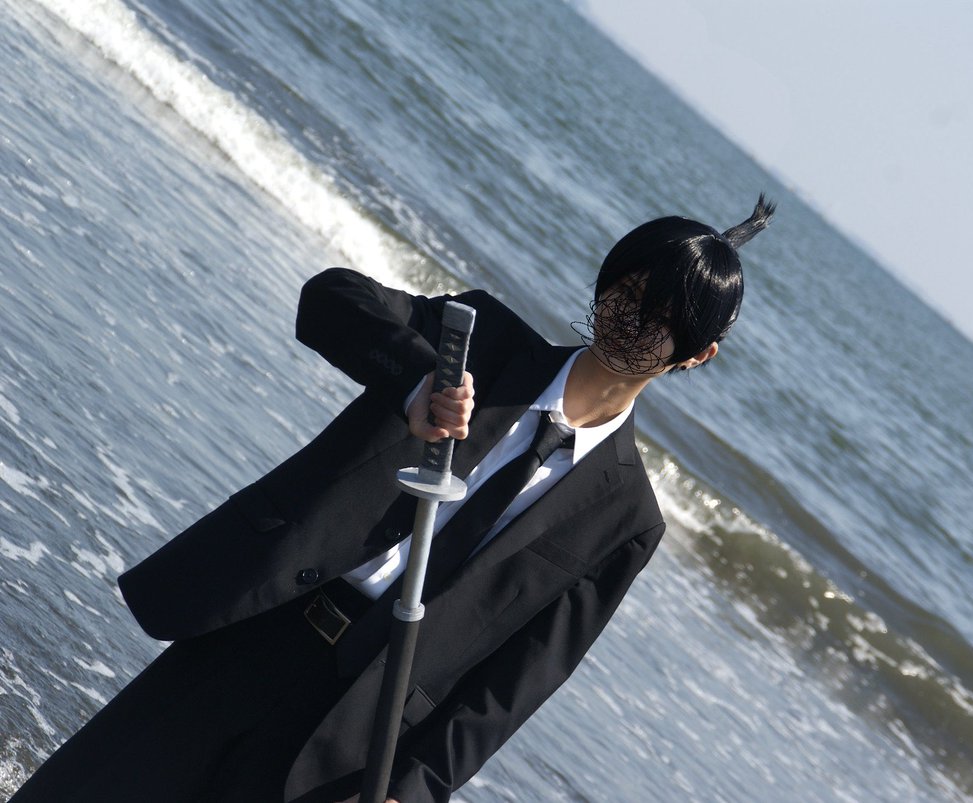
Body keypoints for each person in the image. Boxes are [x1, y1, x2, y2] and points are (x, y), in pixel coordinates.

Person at [12, 196, 774, 803]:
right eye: (628, 291)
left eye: (661, 318)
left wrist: (412, 789)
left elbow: (512, 686)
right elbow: (331, 299)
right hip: (258, 627)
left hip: (349, 738)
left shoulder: (626, 518)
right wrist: (417, 384)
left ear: (698, 354)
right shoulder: (482, 343)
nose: (632, 319)